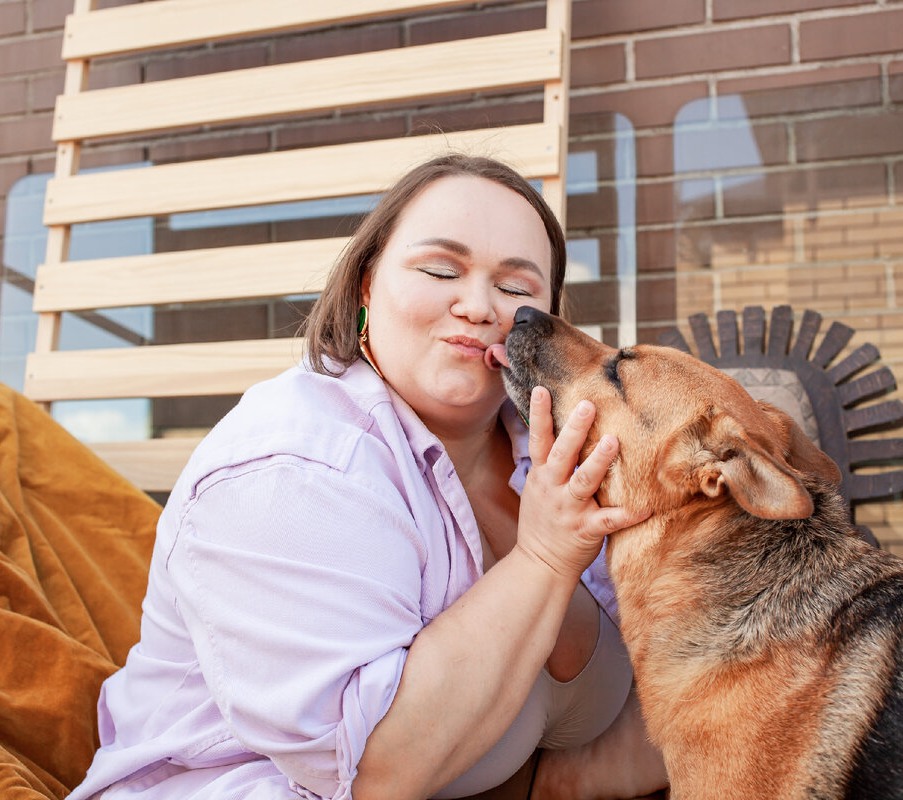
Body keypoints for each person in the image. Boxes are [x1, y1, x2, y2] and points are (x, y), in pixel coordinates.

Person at [68, 154, 668, 800]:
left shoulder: (552, 455)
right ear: (365, 285)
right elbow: (377, 769)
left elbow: (645, 698)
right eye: (441, 270)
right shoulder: (289, 468)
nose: (479, 305)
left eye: (517, 288)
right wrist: (544, 559)